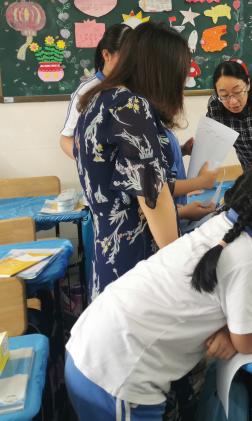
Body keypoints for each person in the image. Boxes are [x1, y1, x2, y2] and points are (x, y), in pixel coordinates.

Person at [65, 164, 252, 421]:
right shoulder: (247, 253)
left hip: (91, 345)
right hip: (115, 375)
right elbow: (249, 341)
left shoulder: (221, 225)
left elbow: (209, 284)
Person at [74, 22, 201, 301]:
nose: (182, 82)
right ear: (161, 70)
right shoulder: (131, 106)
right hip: (137, 259)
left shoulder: (97, 99)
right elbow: (152, 197)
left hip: (109, 250)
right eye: (180, 74)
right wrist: (183, 269)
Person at [60, 23, 132, 160]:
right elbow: (66, 139)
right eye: (125, 58)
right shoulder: (86, 91)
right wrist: (90, 163)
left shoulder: (136, 87)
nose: (130, 64)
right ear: (106, 55)